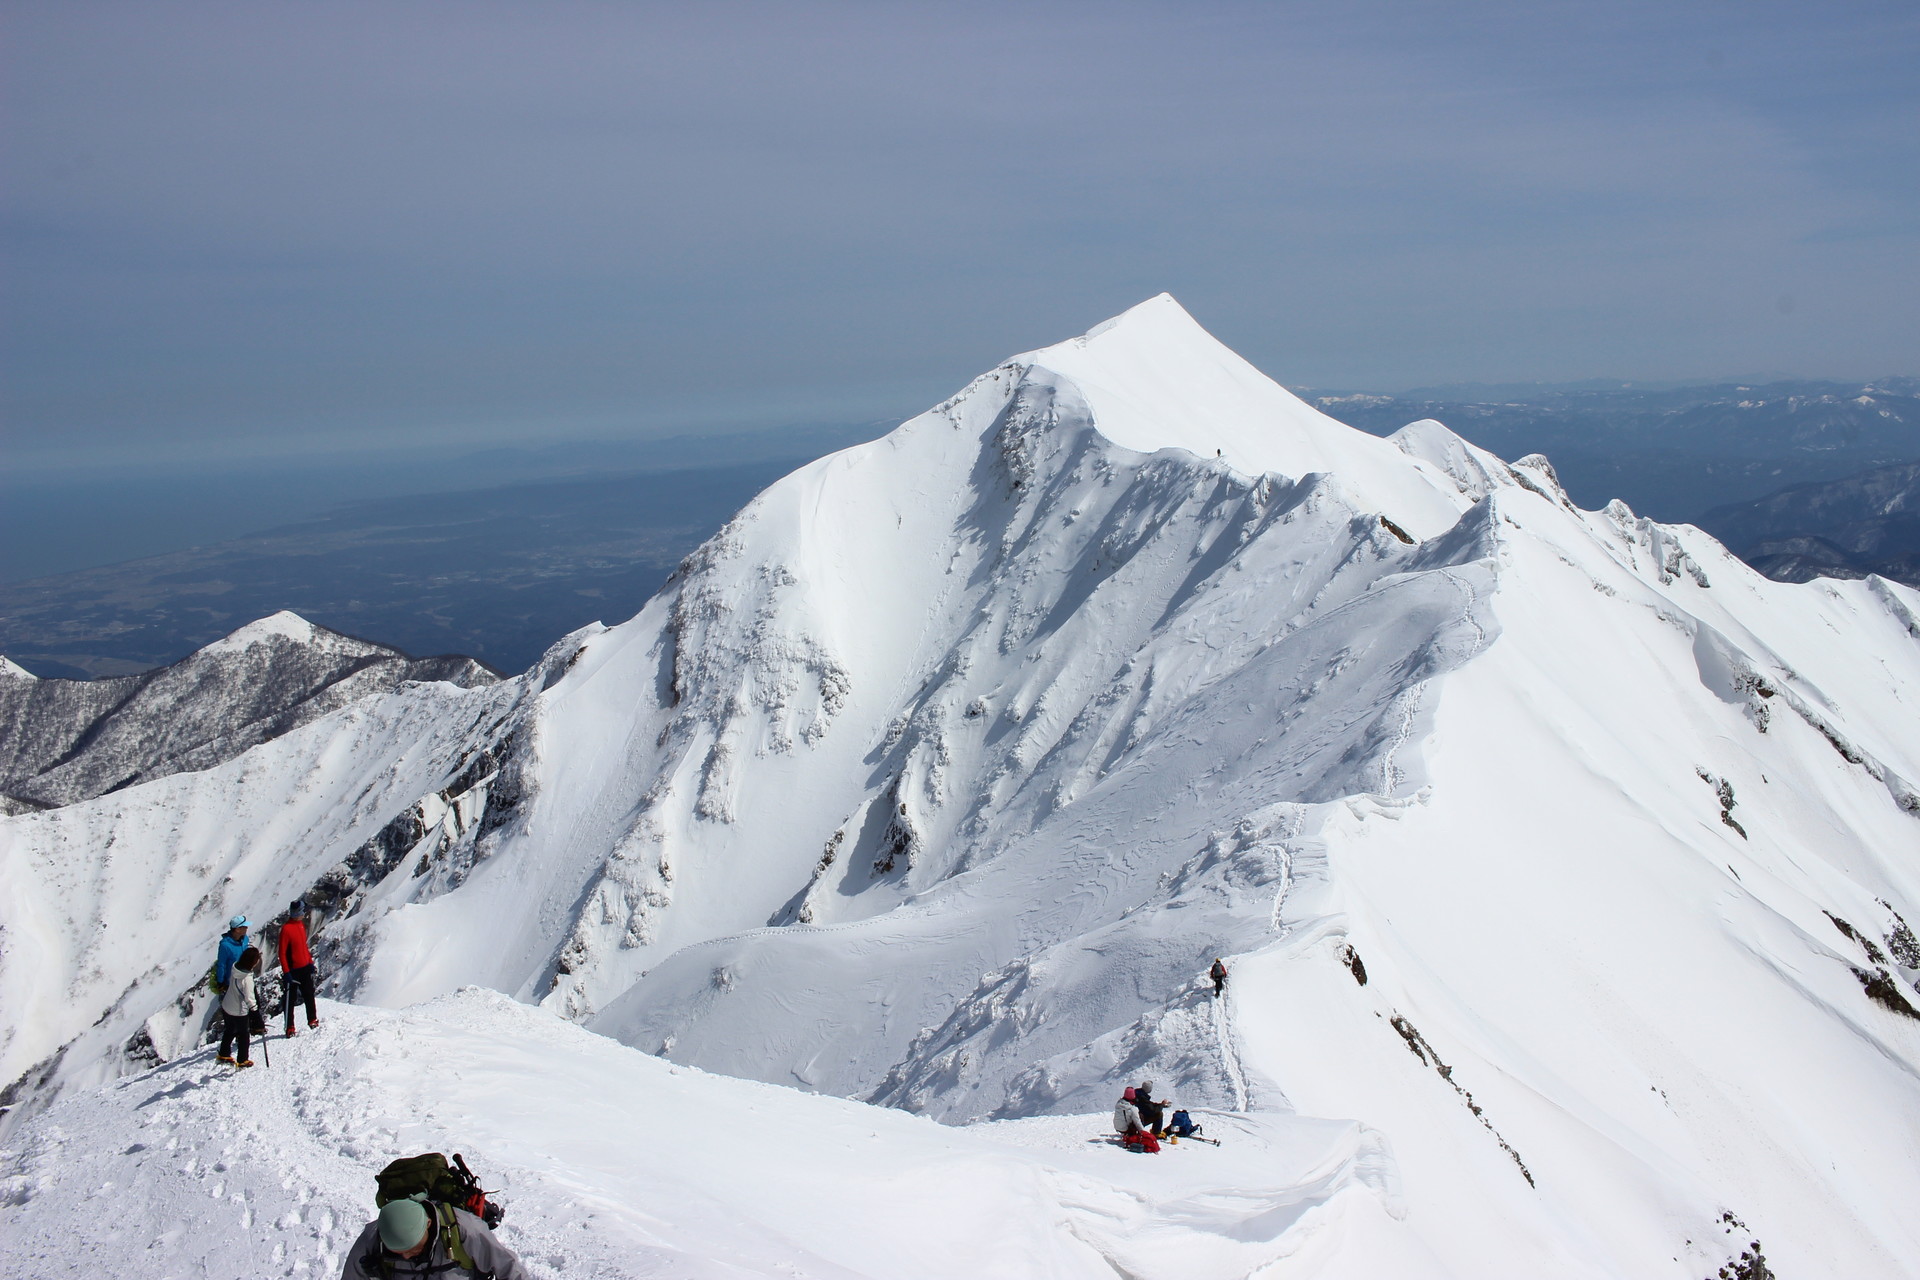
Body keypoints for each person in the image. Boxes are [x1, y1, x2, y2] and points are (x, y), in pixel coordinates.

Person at [342, 1196, 530, 1279]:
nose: (407, 1257)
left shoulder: (466, 1229)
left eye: (412, 1248)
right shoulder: (371, 1240)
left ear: (429, 1224)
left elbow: (510, 1270)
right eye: (398, 1253)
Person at [278, 899, 320, 1036]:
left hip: (304, 967)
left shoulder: (300, 925)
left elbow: (303, 946)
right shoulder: (286, 929)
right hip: (293, 970)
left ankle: (312, 1019)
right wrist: (286, 972)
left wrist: (310, 962)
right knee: (290, 999)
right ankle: (289, 1027)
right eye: (303, 911)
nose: (305, 914)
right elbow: (282, 953)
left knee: (309, 994)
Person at [218, 946, 261, 1068]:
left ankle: (224, 1054)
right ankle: (242, 1060)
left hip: (227, 1005)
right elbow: (249, 998)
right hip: (238, 1010)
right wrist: (256, 1013)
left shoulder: (235, 967)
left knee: (229, 1030)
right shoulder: (247, 979)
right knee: (243, 1035)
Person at [1112, 1087, 1158, 1153]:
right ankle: (1131, 1134)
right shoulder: (1132, 1108)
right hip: (1125, 1129)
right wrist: (1143, 1132)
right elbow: (1137, 1121)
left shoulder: (1118, 1104)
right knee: (1140, 1116)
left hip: (1117, 1126)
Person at [214, 916, 251, 990]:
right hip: (232, 983)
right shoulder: (225, 945)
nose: (247, 928)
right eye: (244, 926)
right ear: (237, 929)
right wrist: (220, 982)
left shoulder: (245, 939)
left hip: (246, 977)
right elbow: (222, 964)